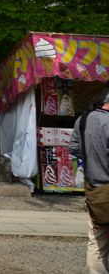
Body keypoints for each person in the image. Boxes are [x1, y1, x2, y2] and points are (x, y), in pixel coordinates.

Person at [69, 86, 109, 273]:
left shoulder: (83, 119)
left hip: (95, 190)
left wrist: (92, 157)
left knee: (97, 241)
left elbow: (74, 147)